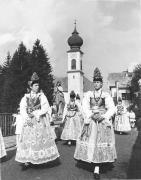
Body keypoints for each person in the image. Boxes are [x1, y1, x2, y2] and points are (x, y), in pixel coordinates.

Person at [74, 67, 117, 179]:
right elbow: (84, 107)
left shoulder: (106, 95)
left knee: (100, 142)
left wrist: (103, 117)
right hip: (92, 120)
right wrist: (91, 115)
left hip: (102, 121)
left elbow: (112, 108)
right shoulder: (89, 94)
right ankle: (93, 163)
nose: (96, 84)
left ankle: (97, 167)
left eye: (98, 82)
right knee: (92, 142)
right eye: (95, 82)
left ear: (101, 83)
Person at [15, 72, 60, 170]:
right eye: (35, 85)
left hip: (39, 121)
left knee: (39, 140)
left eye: (38, 85)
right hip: (29, 121)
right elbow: (22, 109)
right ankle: (27, 160)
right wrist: (27, 118)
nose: (37, 87)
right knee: (27, 140)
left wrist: (36, 113)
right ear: (31, 86)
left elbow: (46, 108)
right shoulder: (26, 97)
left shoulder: (41, 96)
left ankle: (39, 159)